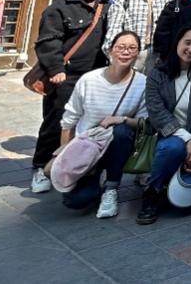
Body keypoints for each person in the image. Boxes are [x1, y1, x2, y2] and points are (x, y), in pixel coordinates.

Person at [31, 0, 108, 193]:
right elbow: (48, 41)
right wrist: (56, 69)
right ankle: (41, 167)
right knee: (56, 122)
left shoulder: (105, 7)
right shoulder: (60, 7)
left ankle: (75, 167)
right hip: (66, 76)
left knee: (87, 123)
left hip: (95, 75)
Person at [57, 30, 147, 218]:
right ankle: (96, 178)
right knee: (74, 201)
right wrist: (65, 154)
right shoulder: (89, 80)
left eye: (132, 48)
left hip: (118, 145)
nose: (126, 52)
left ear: (138, 53)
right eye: (121, 47)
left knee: (122, 131)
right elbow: (69, 120)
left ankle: (111, 188)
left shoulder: (142, 83)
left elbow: (144, 123)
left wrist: (122, 119)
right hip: (87, 147)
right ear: (110, 50)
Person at [138, 26, 191, 225]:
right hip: (168, 137)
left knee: (189, 191)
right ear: (177, 42)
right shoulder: (158, 74)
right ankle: (153, 192)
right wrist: (186, 138)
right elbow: (156, 112)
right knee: (173, 147)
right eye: (187, 42)